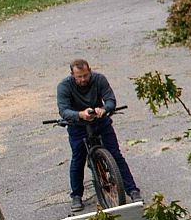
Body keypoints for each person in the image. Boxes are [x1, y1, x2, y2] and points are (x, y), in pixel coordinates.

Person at [56, 58, 140, 212]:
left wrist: (104, 109)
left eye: (85, 75)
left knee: (115, 155)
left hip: (100, 122)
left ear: (90, 71)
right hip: (77, 126)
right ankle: (76, 196)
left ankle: (132, 190)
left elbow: (110, 99)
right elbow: (63, 110)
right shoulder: (64, 86)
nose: (83, 79)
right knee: (78, 159)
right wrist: (80, 114)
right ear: (72, 75)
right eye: (79, 77)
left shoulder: (99, 79)